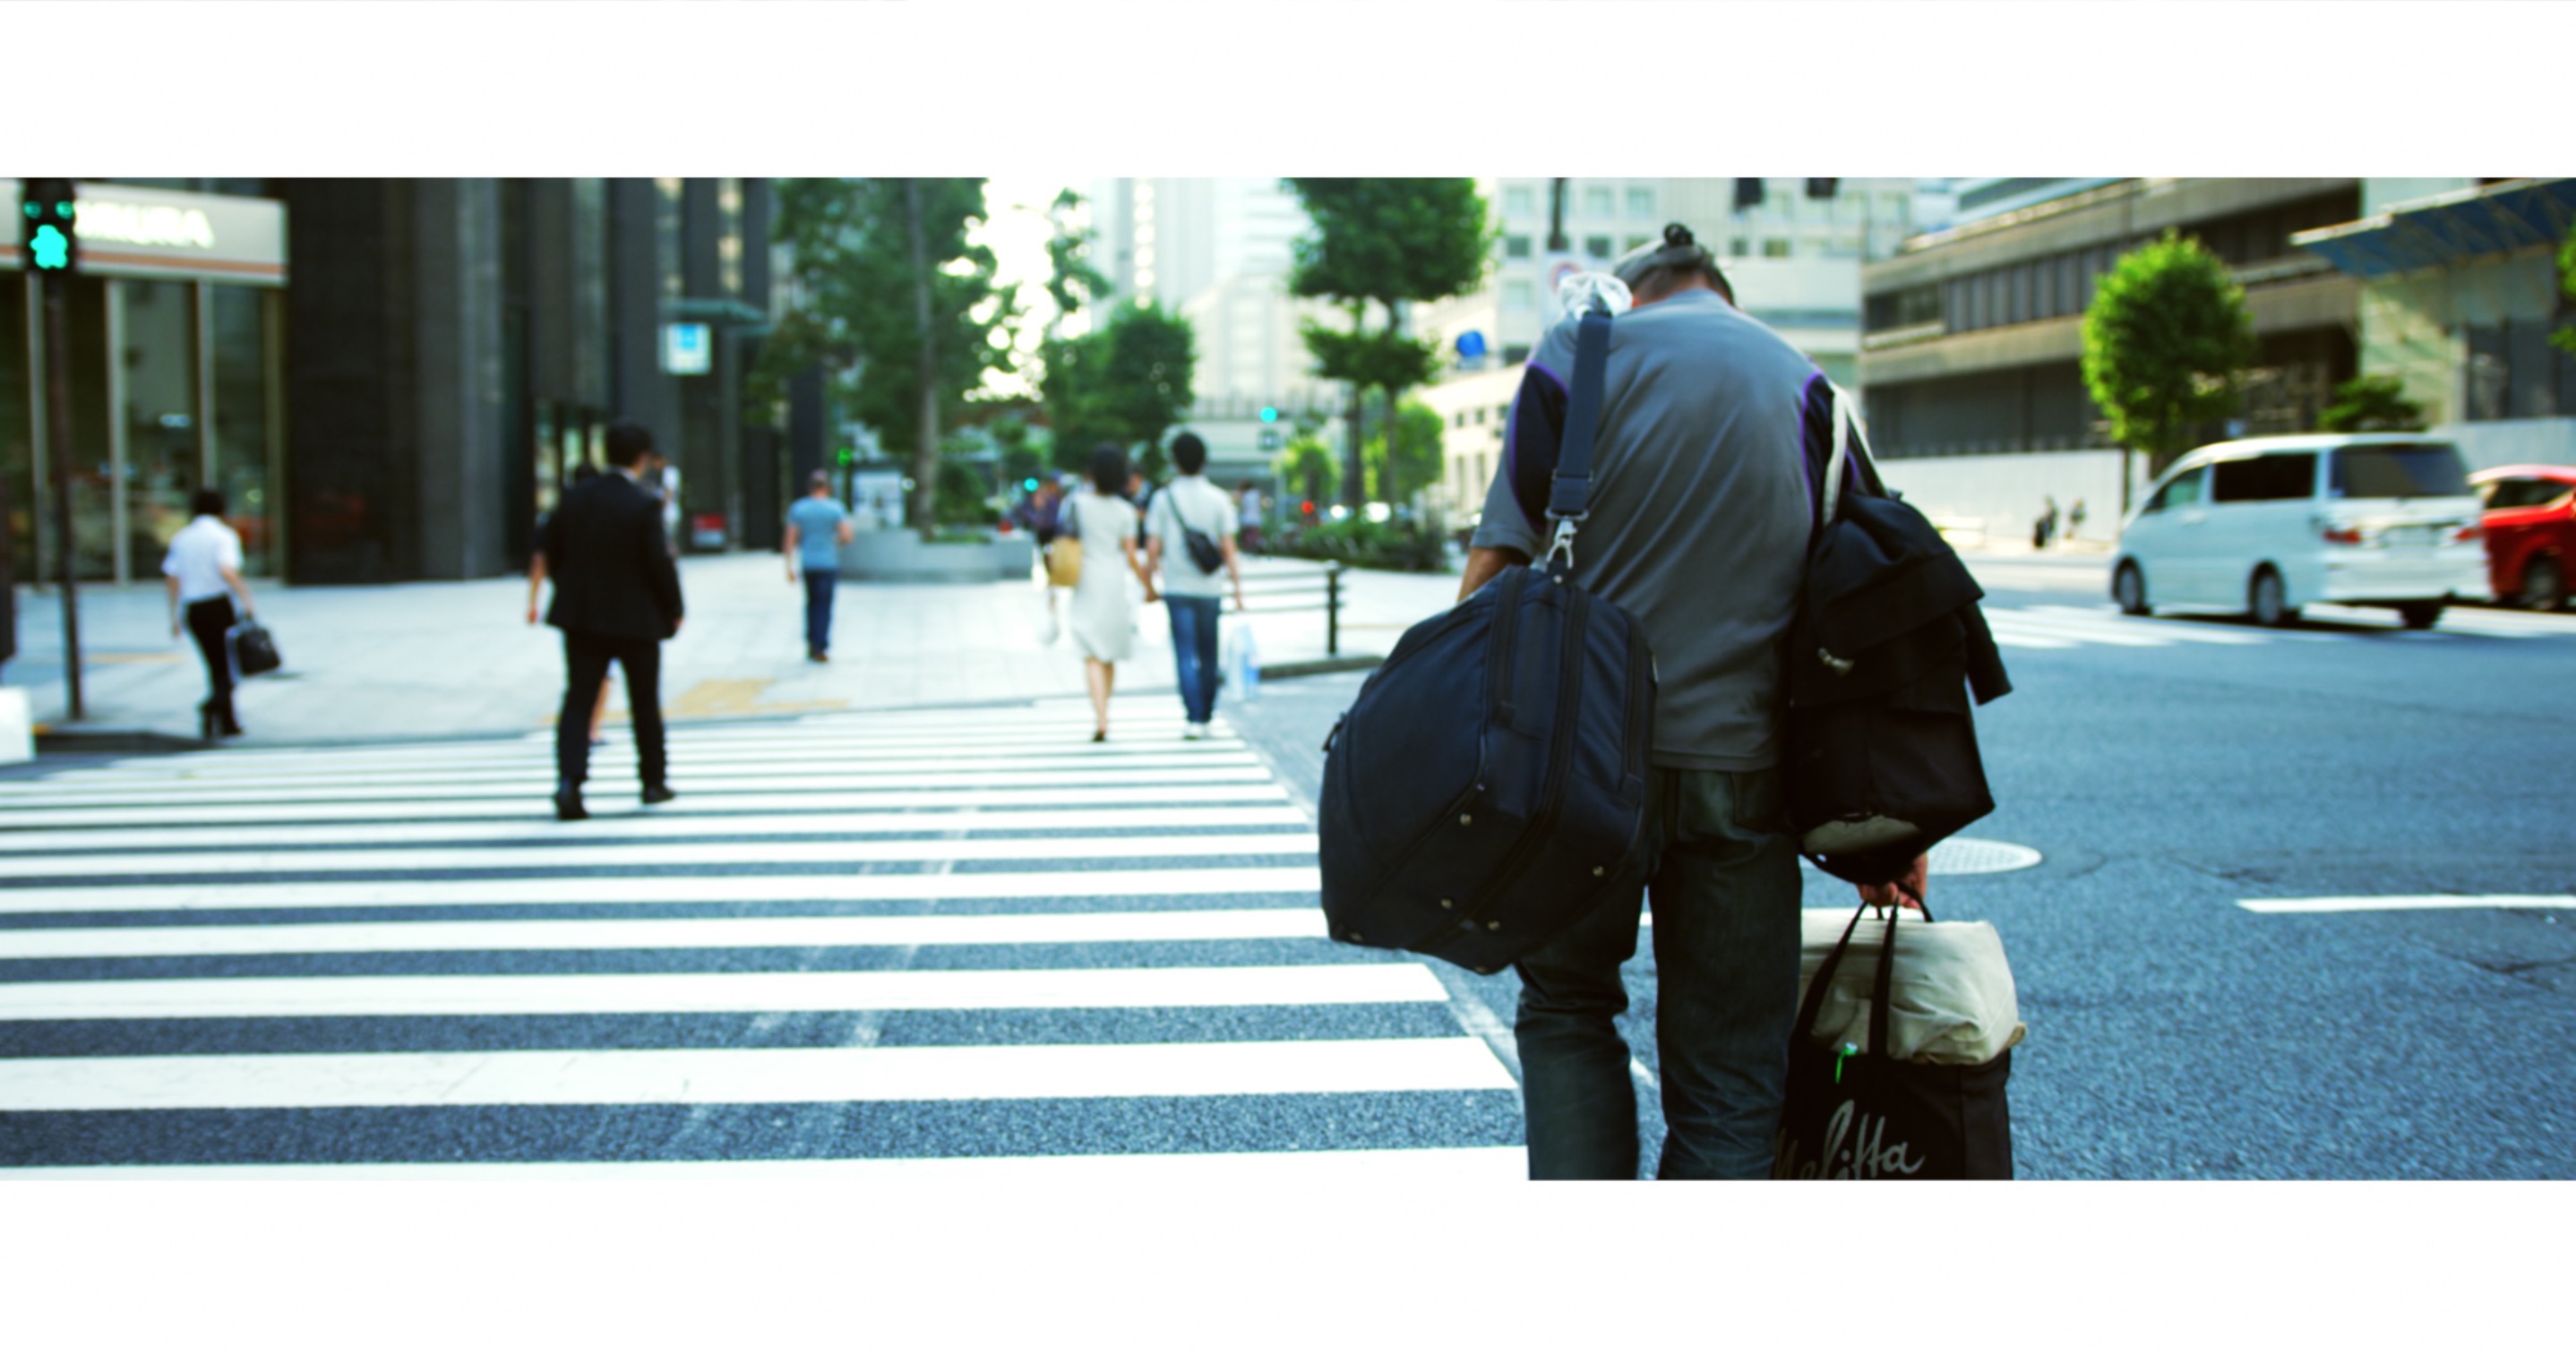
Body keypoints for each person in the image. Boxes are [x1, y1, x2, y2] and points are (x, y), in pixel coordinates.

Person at [1459, 222, 1927, 1180]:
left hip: (1576, 773)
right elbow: (1870, 612)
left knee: (1567, 1009)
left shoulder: (1576, 357)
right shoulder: (1809, 389)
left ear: (1635, 290)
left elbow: (1497, 564)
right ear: (1721, 295)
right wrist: (1891, 827)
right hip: (1742, 778)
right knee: (1728, 1075)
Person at [539, 420, 685, 821]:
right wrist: (673, 607)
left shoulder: (573, 498)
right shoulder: (643, 502)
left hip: (581, 615)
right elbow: (659, 561)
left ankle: (571, 782)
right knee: (644, 700)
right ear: (642, 458)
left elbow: (551, 553)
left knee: (578, 699)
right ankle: (652, 781)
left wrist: (570, 590)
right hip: (636, 617)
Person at [1145, 433, 1248, 740]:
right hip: (1210, 589)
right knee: (1208, 653)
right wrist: (1238, 588)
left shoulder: (1163, 499)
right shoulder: (1218, 498)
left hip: (1176, 587)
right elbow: (1229, 547)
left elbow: (1152, 546)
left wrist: (1149, 582)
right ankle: (1207, 713)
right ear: (1204, 460)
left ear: (1174, 460)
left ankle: (1193, 717)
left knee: (1184, 653)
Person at [1067, 443, 1156, 741]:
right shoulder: (1126, 511)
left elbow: (1062, 539)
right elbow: (1131, 555)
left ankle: (1100, 716)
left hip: (1086, 580)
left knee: (1091, 652)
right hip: (1114, 582)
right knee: (1109, 654)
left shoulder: (1078, 504)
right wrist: (1148, 587)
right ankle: (1107, 711)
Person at [162, 487, 256, 741]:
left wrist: (174, 615)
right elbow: (227, 569)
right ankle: (214, 708)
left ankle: (226, 721)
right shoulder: (223, 536)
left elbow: (172, 577)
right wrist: (247, 599)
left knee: (214, 665)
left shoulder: (182, 537)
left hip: (193, 609)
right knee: (226, 666)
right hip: (218, 606)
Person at [528, 464, 612, 747]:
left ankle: (579, 739)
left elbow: (541, 561)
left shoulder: (557, 516)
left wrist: (533, 601)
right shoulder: (608, 514)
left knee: (578, 677)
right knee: (604, 674)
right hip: (606, 603)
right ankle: (593, 727)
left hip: (571, 605)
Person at [784, 469, 856, 663]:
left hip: (808, 563)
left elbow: (790, 540)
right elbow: (847, 536)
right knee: (825, 605)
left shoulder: (799, 508)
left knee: (810, 603)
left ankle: (810, 642)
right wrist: (834, 540)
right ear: (827, 487)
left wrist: (788, 567)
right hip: (828, 563)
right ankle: (821, 646)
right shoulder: (835, 508)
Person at [1236, 481, 1266, 555]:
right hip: (1256, 518)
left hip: (1246, 519)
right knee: (1255, 534)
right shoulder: (1257, 493)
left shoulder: (1244, 495)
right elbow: (1263, 504)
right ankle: (1255, 547)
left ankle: (1248, 548)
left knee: (1246, 534)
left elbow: (1242, 507)